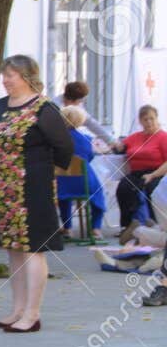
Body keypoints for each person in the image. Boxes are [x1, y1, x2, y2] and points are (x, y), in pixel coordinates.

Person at [0, 56, 72, 333]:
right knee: (13, 249)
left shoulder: (44, 108)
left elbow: (64, 148)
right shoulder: (1, 105)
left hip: (32, 187)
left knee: (33, 249)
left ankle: (32, 314)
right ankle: (17, 309)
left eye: (11, 75)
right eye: (4, 75)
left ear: (27, 77)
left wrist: (40, 170)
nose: (5, 80)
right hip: (1, 188)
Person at [110, 106, 167, 229]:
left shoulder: (163, 137)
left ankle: (156, 224)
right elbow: (120, 146)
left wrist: (153, 175)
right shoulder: (135, 137)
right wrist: (115, 146)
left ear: (157, 119)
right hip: (136, 172)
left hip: (157, 172)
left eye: (152, 119)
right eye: (145, 119)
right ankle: (129, 225)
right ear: (140, 121)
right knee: (124, 187)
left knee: (152, 189)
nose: (149, 122)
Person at [56, 105, 107, 235]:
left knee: (64, 198)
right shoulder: (86, 139)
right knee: (98, 192)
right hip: (84, 182)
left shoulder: (57, 139)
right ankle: (96, 227)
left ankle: (67, 228)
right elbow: (89, 157)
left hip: (62, 180)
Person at [62, 81, 117, 152]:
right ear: (71, 100)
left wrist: (111, 141)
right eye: (80, 101)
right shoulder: (55, 107)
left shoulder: (76, 105)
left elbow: (91, 123)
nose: (81, 103)